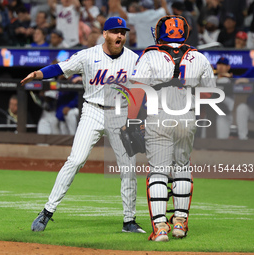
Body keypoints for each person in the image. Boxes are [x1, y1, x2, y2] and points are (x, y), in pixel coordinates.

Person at [21, 17, 144, 233]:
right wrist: (39, 74)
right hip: (93, 111)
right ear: (105, 34)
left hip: (120, 114)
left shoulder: (134, 59)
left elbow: (144, 88)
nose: (120, 36)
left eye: (123, 32)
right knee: (75, 160)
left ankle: (129, 221)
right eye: (115, 32)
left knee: (128, 168)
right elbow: (60, 67)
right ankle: (47, 212)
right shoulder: (88, 55)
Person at [128, 15, 215, 241]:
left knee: (158, 171)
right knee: (182, 168)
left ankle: (160, 227)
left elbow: (137, 92)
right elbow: (208, 95)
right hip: (186, 116)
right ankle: (179, 223)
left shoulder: (149, 56)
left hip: (158, 116)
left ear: (160, 32)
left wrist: (130, 122)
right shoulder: (199, 57)